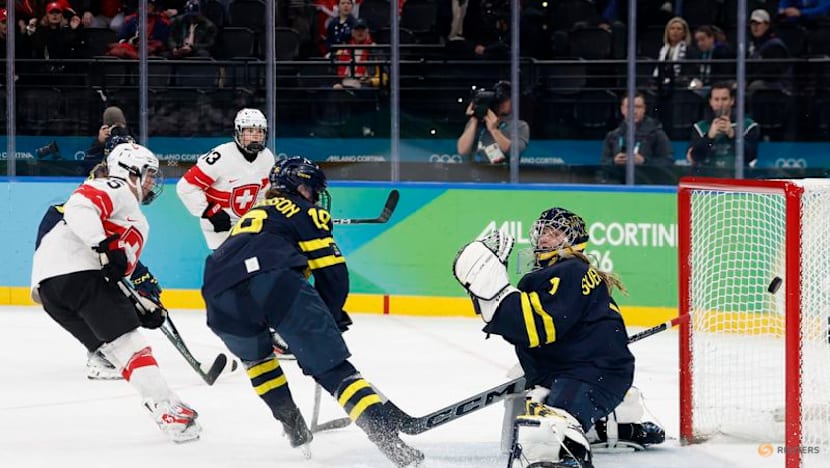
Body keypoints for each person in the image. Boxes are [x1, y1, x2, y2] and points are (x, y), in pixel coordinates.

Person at [201, 157, 424, 467]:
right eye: (313, 190)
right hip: (272, 279)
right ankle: (388, 439)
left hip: (216, 291)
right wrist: (329, 314)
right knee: (332, 369)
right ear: (300, 187)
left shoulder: (256, 212)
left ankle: (293, 426)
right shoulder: (309, 212)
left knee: (258, 361)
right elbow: (333, 275)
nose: (317, 197)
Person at [452, 207, 661, 466]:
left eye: (555, 232)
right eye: (542, 230)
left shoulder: (570, 270)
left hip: (592, 371)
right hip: (581, 368)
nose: (544, 237)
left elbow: (535, 328)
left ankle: (572, 449)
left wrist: (496, 296)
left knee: (549, 428)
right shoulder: (561, 272)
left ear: (573, 240)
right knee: (535, 402)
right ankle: (609, 425)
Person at [30, 143, 201, 443]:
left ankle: (163, 405)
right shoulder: (115, 188)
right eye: (148, 174)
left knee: (117, 348)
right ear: (130, 171)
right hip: (76, 273)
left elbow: (116, 273)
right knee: (130, 344)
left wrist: (143, 307)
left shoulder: (132, 216)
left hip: (53, 291)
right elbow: (80, 206)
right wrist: (102, 243)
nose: (152, 182)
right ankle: (166, 409)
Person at [37, 137, 157, 381]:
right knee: (91, 296)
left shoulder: (120, 194)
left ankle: (105, 351)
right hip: (69, 253)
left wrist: (140, 286)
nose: (152, 182)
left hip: (71, 263)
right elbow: (94, 231)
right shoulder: (105, 186)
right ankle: (99, 353)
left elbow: (115, 251)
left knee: (106, 301)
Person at [176, 108, 275, 250]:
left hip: (249, 223)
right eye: (249, 131)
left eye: (259, 131)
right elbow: (186, 187)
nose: (255, 136)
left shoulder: (267, 157)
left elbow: (263, 192)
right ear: (238, 132)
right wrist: (211, 212)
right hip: (221, 224)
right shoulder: (220, 157)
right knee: (230, 266)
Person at [688, 81, 761, 169]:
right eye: (716, 99)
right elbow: (696, 157)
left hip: (737, 178)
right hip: (708, 177)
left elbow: (750, 157)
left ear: (732, 101)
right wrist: (709, 138)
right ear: (711, 102)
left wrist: (733, 136)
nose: (720, 104)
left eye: (724, 99)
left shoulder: (748, 126)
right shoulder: (700, 127)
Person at [456, 80, 529, 164]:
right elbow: (462, 150)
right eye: (502, 99)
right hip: (475, 174)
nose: (504, 103)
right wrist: (475, 117)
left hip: (503, 174)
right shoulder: (477, 124)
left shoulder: (519, 126)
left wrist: (494, 130)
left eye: (507, 99)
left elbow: (515, 151)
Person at [601, 91, 674, 167]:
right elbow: (603, 163)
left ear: (644, 109)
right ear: (622, 109)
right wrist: (614, 161)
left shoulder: (657, 134)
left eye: (638, 107)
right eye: (629, 107)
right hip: (618, 178)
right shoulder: (612, 136)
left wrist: (644, 161)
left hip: (647, 177)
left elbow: (668, 161)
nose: (634, 111)